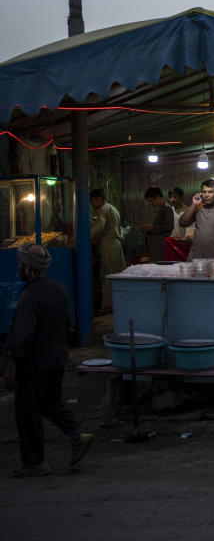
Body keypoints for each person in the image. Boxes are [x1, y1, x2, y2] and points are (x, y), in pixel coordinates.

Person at [4, 244, 94, 477]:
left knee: (27, 414)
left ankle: (35, 463)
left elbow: (22, 337)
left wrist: (13, 362)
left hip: (34, 364)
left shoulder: (29, 296)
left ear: (27, 267)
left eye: (20, 264)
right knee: (50, 404)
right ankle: (77, 437)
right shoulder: (59, 290)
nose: (18, 268)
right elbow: (66, 325)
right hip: (57, 360)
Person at [90, 188, 125, 315]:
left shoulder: (103, 210)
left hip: (108, 245)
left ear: (100, 199)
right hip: (116, 244)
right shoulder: (112, 208)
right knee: (117, 274)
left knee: (107, 275)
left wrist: (82, 238)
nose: (92, 204)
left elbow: (99, 227)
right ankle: (119, 303)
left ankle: (107, 305)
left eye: (93, 201)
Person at [143, 187, 174, 262]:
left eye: (151, 201)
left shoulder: (166, 208)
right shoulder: (161, 208)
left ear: (157, 197)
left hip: (161, 247)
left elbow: (170, 226)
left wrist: (152, 228)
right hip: (157, 246)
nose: (151, 204)